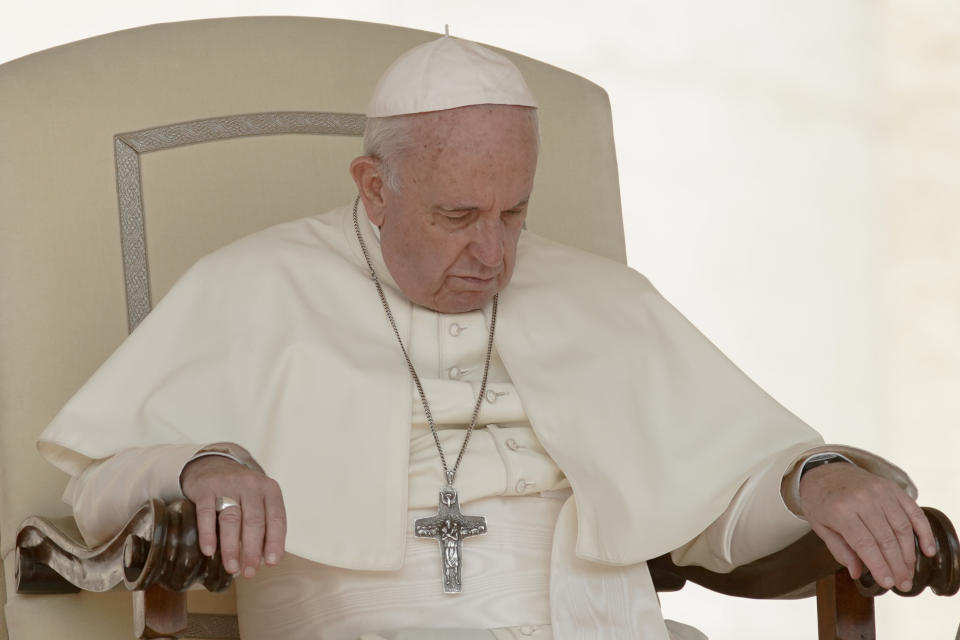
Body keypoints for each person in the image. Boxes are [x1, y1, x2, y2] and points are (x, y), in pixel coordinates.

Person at [37, 36, 934, 639]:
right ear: (374, 188)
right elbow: (99, 481)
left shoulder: (601, 297)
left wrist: (818, 478)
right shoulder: (252, 286)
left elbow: (723, 494)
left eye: (515, 212)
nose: (494, 253)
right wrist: (202, 468)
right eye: (458, 214)